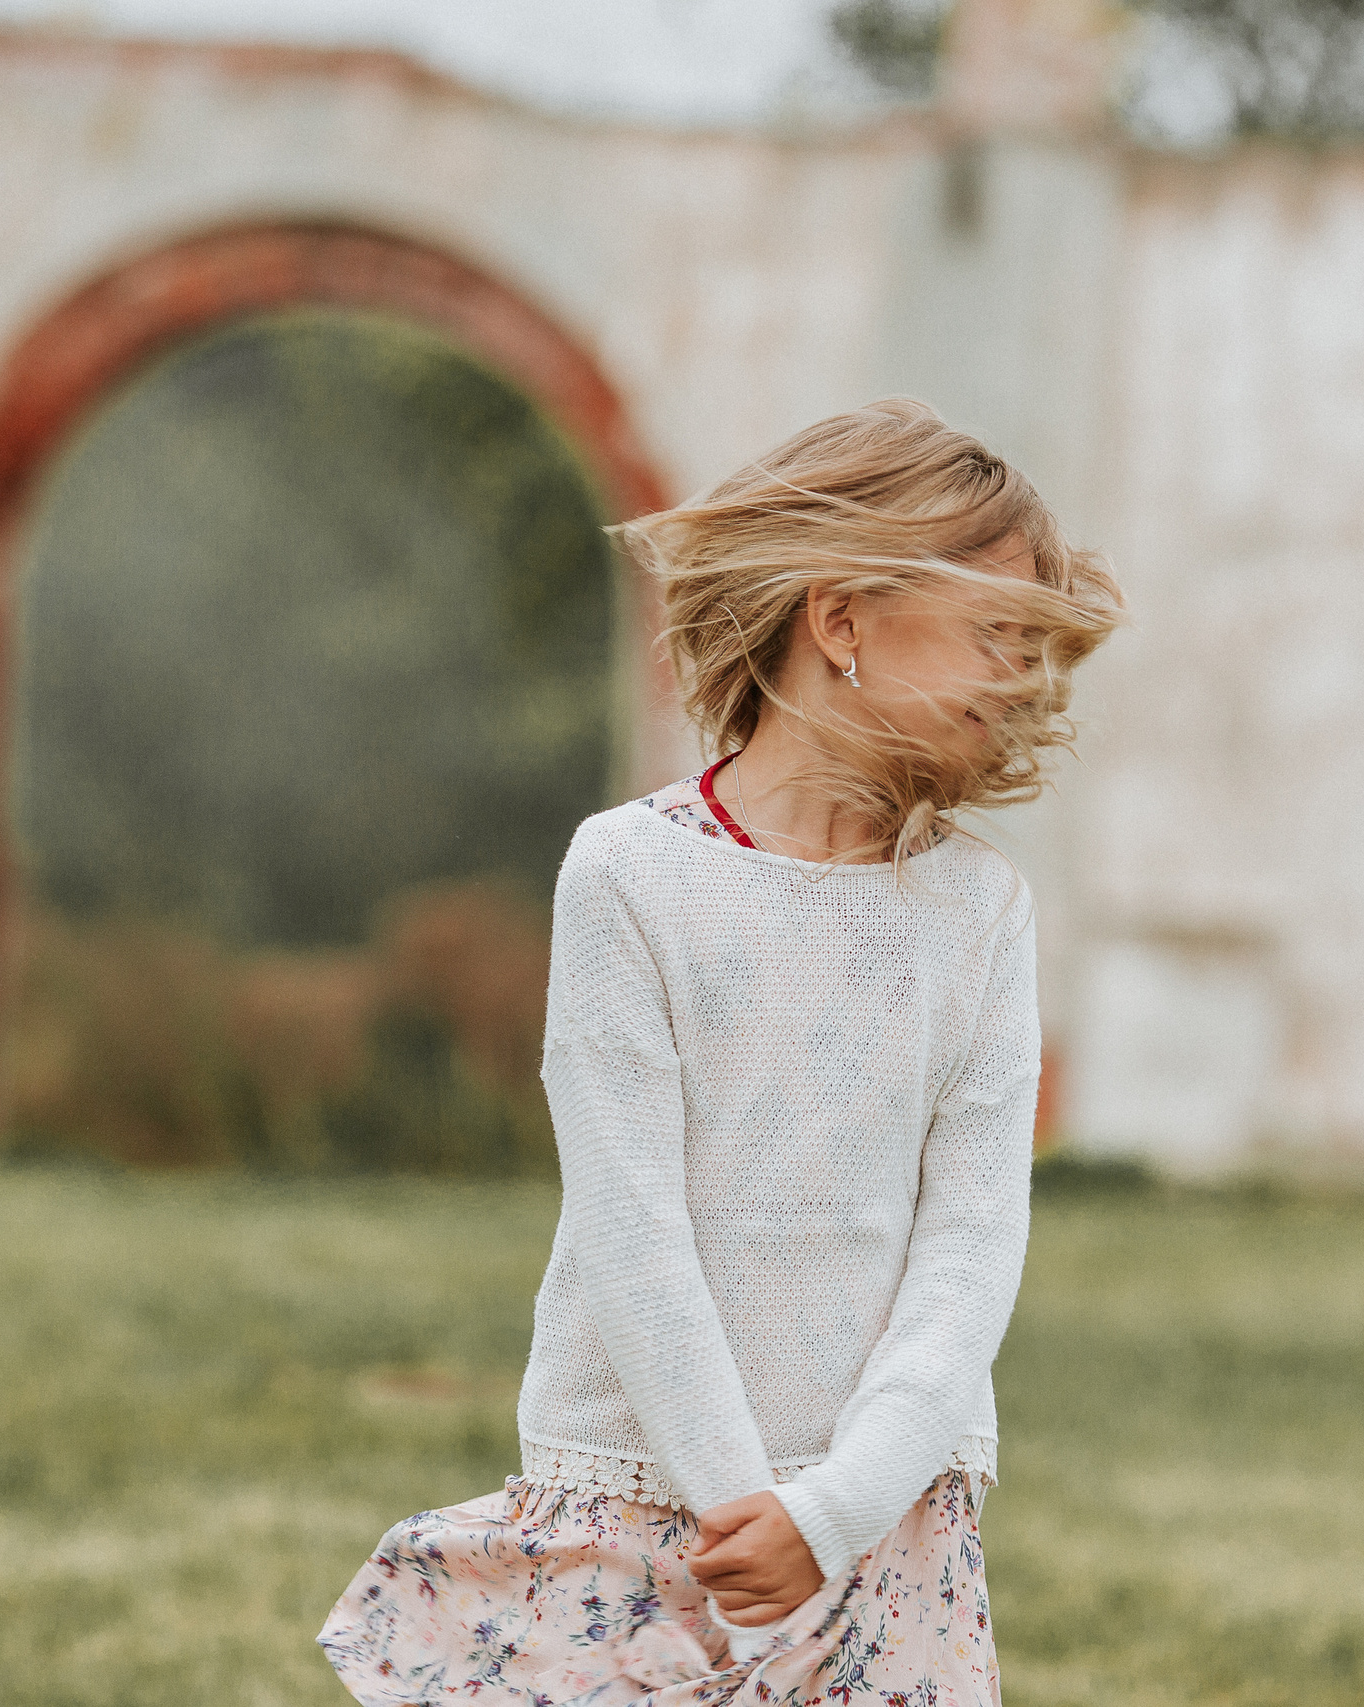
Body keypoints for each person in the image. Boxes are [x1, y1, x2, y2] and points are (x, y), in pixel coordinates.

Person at [318, 399, 1124, 1705]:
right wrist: (743, 1504)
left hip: (885, 1521)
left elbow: (970, 1251)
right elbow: (628, 1219)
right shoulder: (630, 876)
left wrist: (836, 1510)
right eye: (998, 636)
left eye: (1038, 650)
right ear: (842, 619)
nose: (1026, 681)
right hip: (652, 1505)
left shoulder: (982, 913)